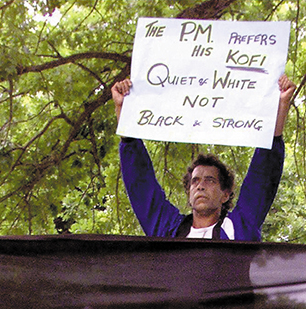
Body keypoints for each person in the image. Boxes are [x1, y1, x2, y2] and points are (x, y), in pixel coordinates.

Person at [112, 74, 295, 240]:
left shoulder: (238, 228)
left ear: (225, 194)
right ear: (189, 194)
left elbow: (262, 177)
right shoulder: (170, 230)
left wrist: (281, 106)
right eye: (195, 181)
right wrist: (123, 110)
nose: (200, 186)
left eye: (210, 181)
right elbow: (142, 186)